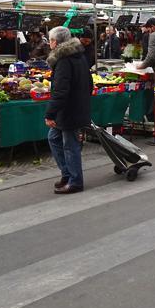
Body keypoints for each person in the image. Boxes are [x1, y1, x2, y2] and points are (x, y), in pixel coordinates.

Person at [45, 26, 93, 194]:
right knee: (53, 137)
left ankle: (75, 181)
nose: (49, 43)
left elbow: (60, 91)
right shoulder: (78, 56)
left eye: (50, 40)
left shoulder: (64, 60)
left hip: (69, 109)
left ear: (55, 42)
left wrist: (50, 113)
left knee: (70, 145)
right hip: (75, 106)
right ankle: (67, 174)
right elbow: (90, 83)